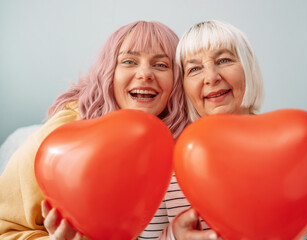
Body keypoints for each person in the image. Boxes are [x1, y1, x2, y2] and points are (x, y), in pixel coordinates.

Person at [155, 20, 307, 239]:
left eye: (223, 60)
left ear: (248, 67)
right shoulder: (168, 169)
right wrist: (174, 236)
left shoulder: (300, 144)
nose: (211, 77)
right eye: (195, 68)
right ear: (184, 86)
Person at [0, 20, 190, 239]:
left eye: (161, 65)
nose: (145, 74)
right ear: (109, 72)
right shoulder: (65, 133)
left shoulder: (179, 144)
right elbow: (6, 227)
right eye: (129, 61)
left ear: (177, 79)